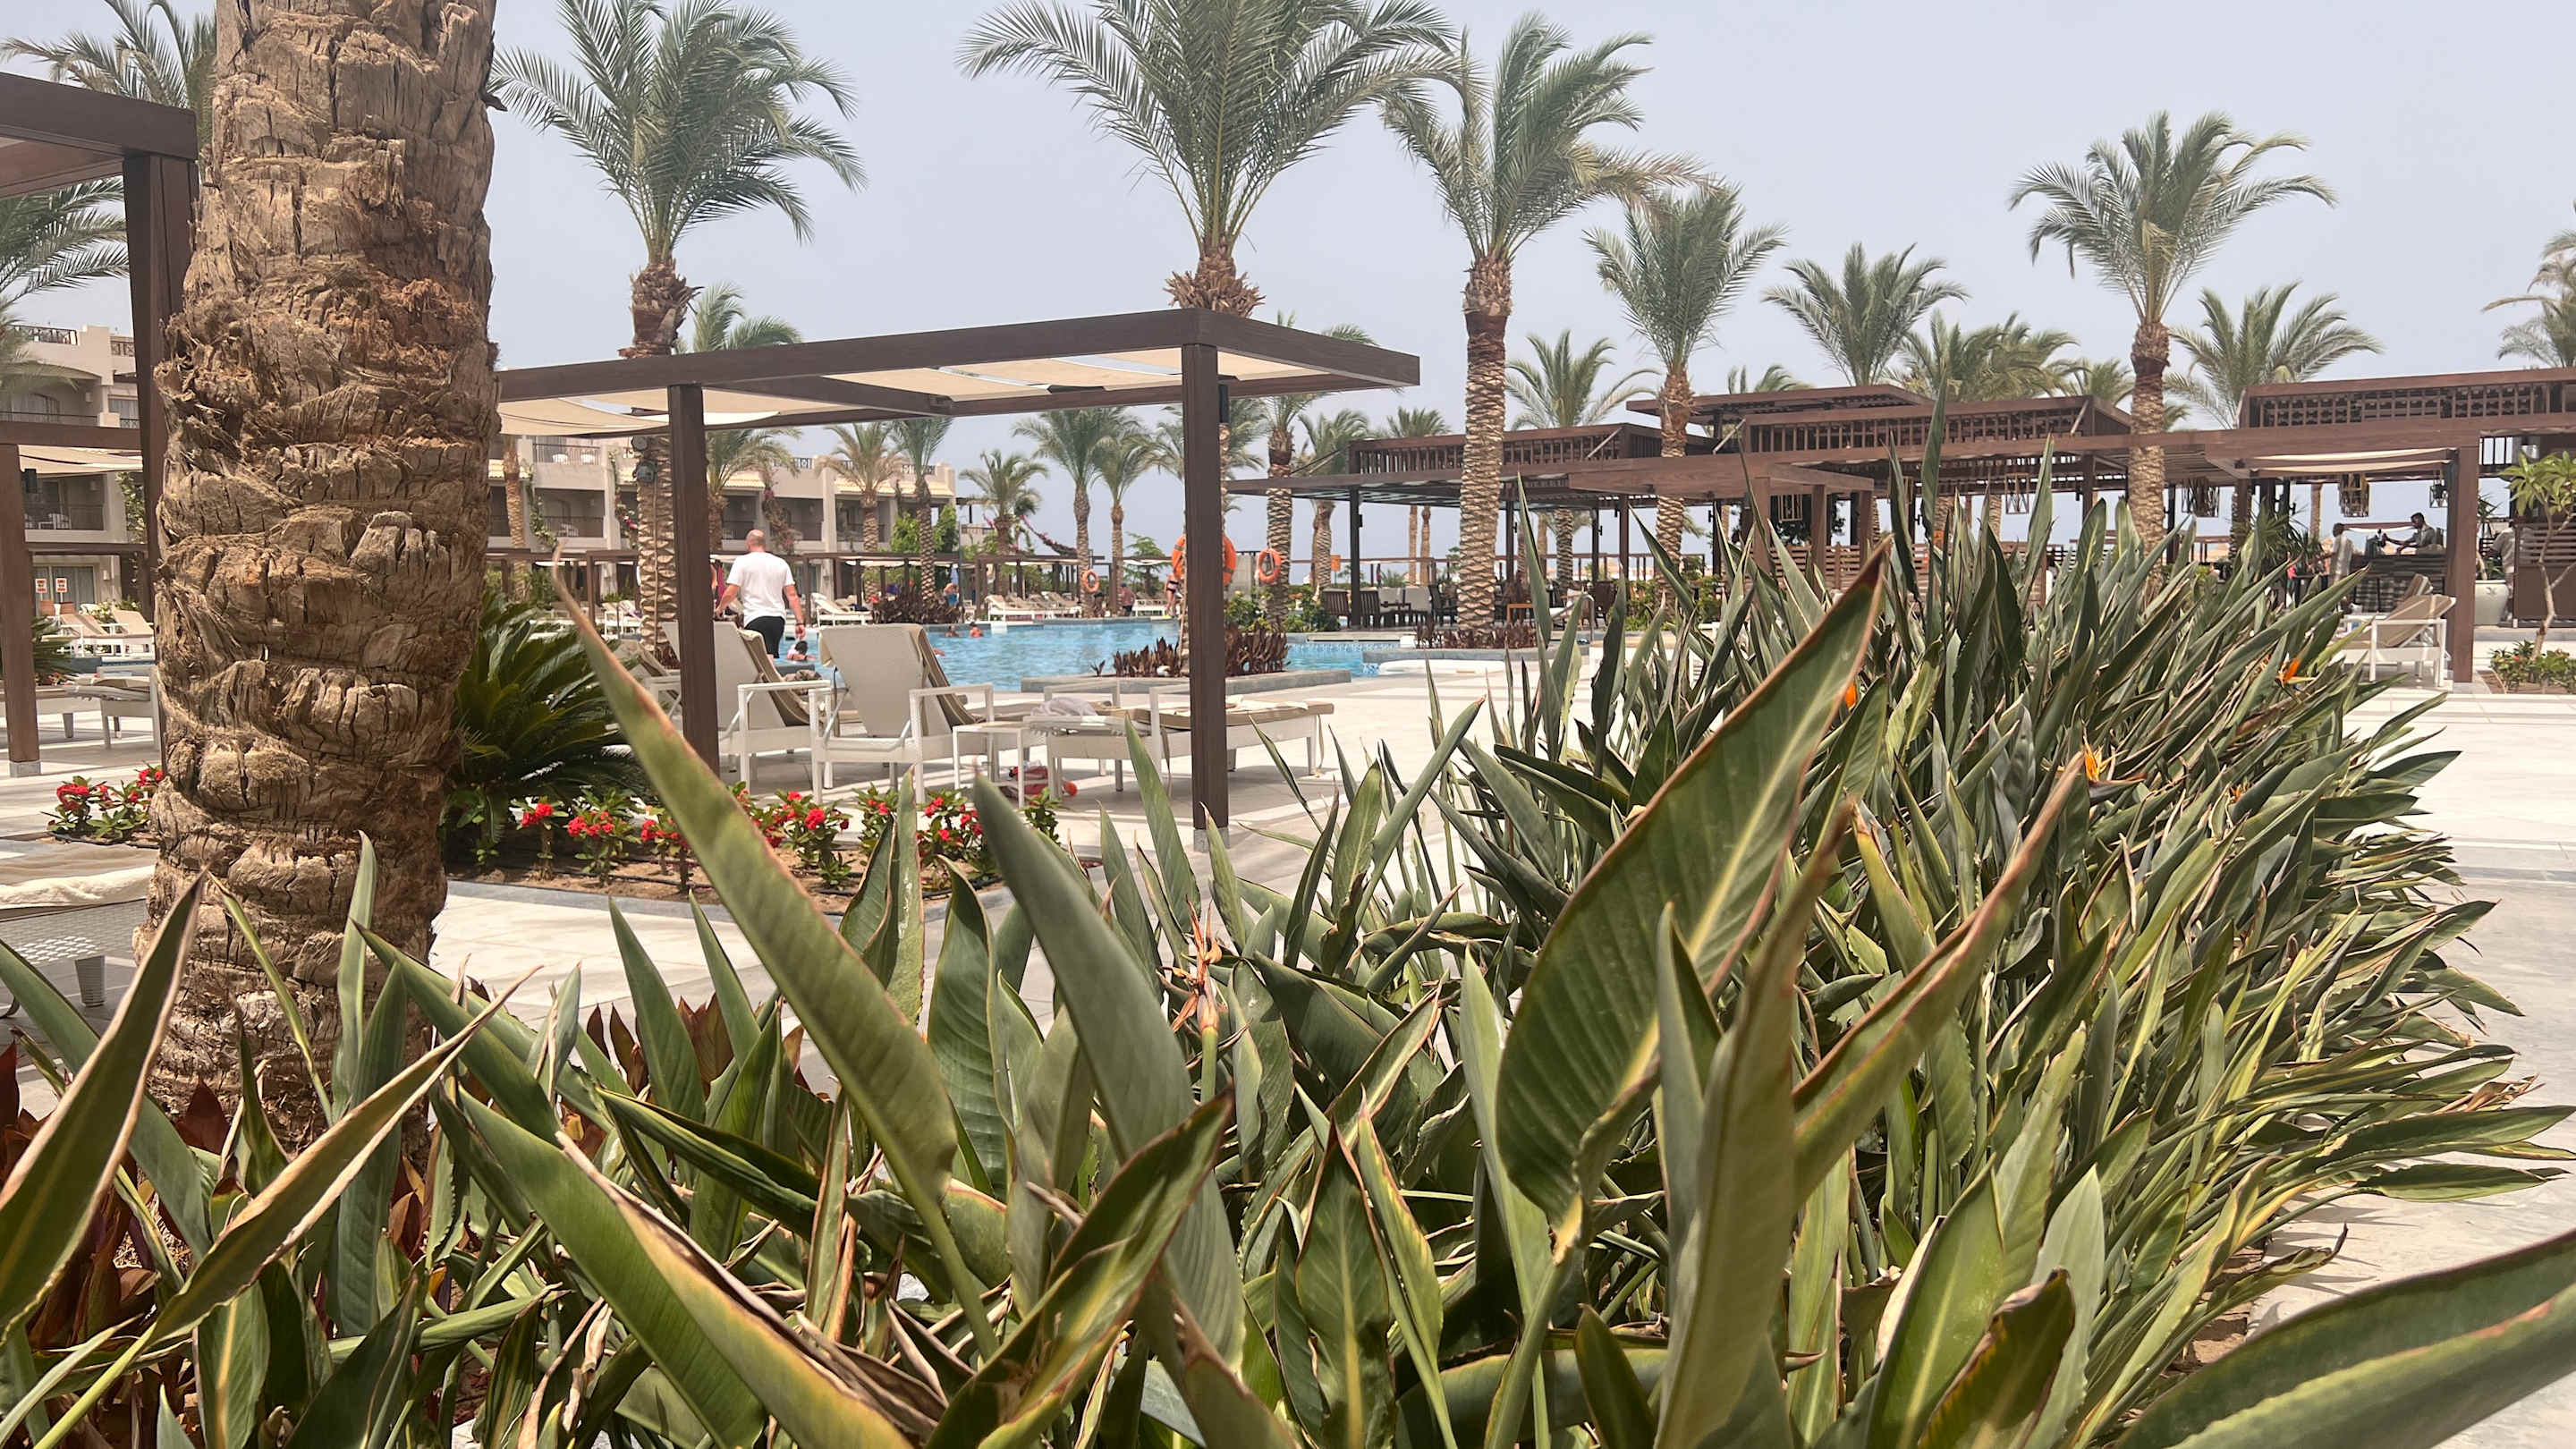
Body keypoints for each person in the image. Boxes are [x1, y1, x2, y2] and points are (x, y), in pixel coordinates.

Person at [718, 529, 802, 657]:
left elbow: (731, 593)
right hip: (778, 619)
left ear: (748, 544)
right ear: (764, 544)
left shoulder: (742, 562)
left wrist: (720, 609)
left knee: (762, 659)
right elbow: (792, 596)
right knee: (769, 655)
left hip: (755, 617)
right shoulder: (781, 563)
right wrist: (800, 622)